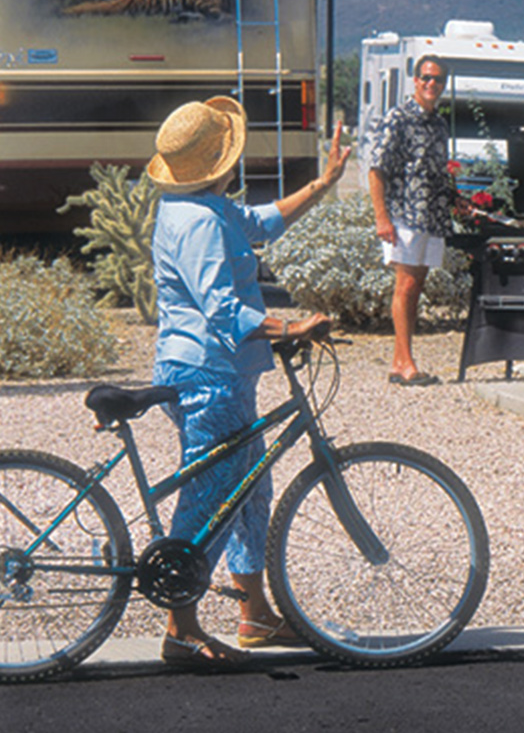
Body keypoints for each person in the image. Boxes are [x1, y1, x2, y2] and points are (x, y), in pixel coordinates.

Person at [147, 97, 348, 667]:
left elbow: (261, 222)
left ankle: (254, 612)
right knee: (211, 495)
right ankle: (180, 626)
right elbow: (221, 308)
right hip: (206, 370)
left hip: (221, 370)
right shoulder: (198, 221)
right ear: (221, 159)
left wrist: (325, 183)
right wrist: (290, 323)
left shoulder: (202, 204)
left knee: (248, 488)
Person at [364, 55, 456, 385]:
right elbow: (377, 170)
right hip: (403, 214)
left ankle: (399, 360)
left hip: (431, 216)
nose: (432, 84)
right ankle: (405, 364)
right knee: (404, 285)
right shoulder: (397, 119)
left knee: (416, 286)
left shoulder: (440, 124)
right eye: (426, 78)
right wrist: (381, 218)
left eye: (438, 79)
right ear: (415, 81)